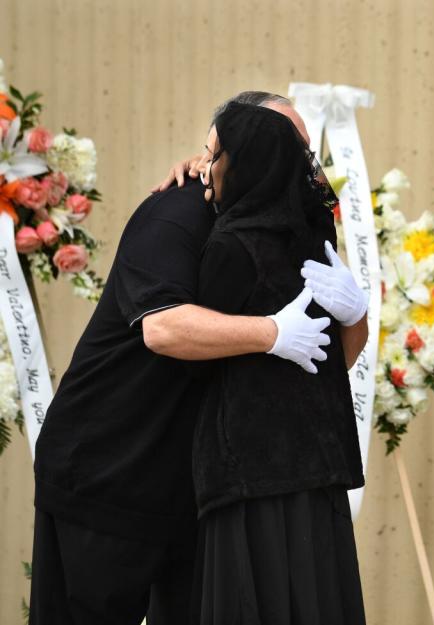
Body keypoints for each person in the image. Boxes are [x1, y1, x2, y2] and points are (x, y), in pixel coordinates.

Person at [29, 91, 367, 625]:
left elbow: (317, 369)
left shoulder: (287, 228)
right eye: (283, 141)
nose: (299, 161)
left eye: (303, 148)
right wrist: (271, 330)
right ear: (227, 147)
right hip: (107, 466)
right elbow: (162, 328)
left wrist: (357, 315)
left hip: (201, 487)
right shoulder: (176, 211)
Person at [190, 101, 365, 625]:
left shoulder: (229, 246)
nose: (209, 167)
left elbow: (191, 365)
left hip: (250, 479)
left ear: (245, 161)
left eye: (216, 155)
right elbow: (337, 361)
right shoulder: (312, 241)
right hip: (319, 478)